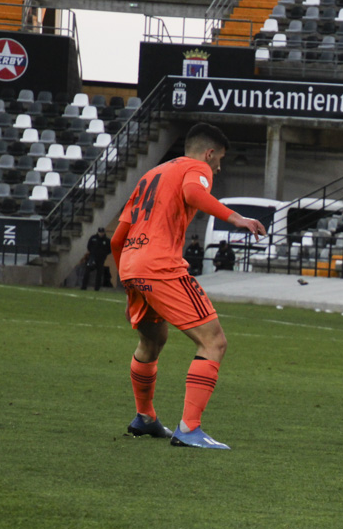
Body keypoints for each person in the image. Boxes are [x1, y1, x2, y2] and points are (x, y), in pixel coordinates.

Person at [110, 122, 266, 450]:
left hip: (131, 263)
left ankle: (146, 418)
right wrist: (235, 218)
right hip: (160, 265)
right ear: (209, 153)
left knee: (153, 340)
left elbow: (117, 238)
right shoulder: (197, 168)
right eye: (219, 160)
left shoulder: (152, 175)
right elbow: (194, 193)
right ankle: (189, 428)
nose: (218, 167)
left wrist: (129, 287)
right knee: (214, 341)